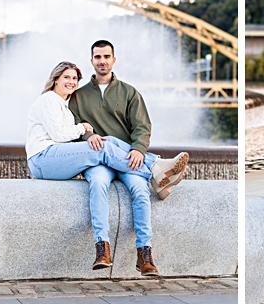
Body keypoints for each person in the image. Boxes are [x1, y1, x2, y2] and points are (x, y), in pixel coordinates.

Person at [66, 41, 189, 275]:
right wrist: (86, 138)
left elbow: (142, 126)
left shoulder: (129, 92)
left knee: (140, 192)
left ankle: (145, 255)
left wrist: (138, 149)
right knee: (98, 184)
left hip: (127, 160)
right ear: (91, 61)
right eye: (97, 56)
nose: (102, 60)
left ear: (114, 60)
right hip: (97, 160)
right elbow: (71, 128)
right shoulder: (78, 96)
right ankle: (102, 248)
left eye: (106, 56)